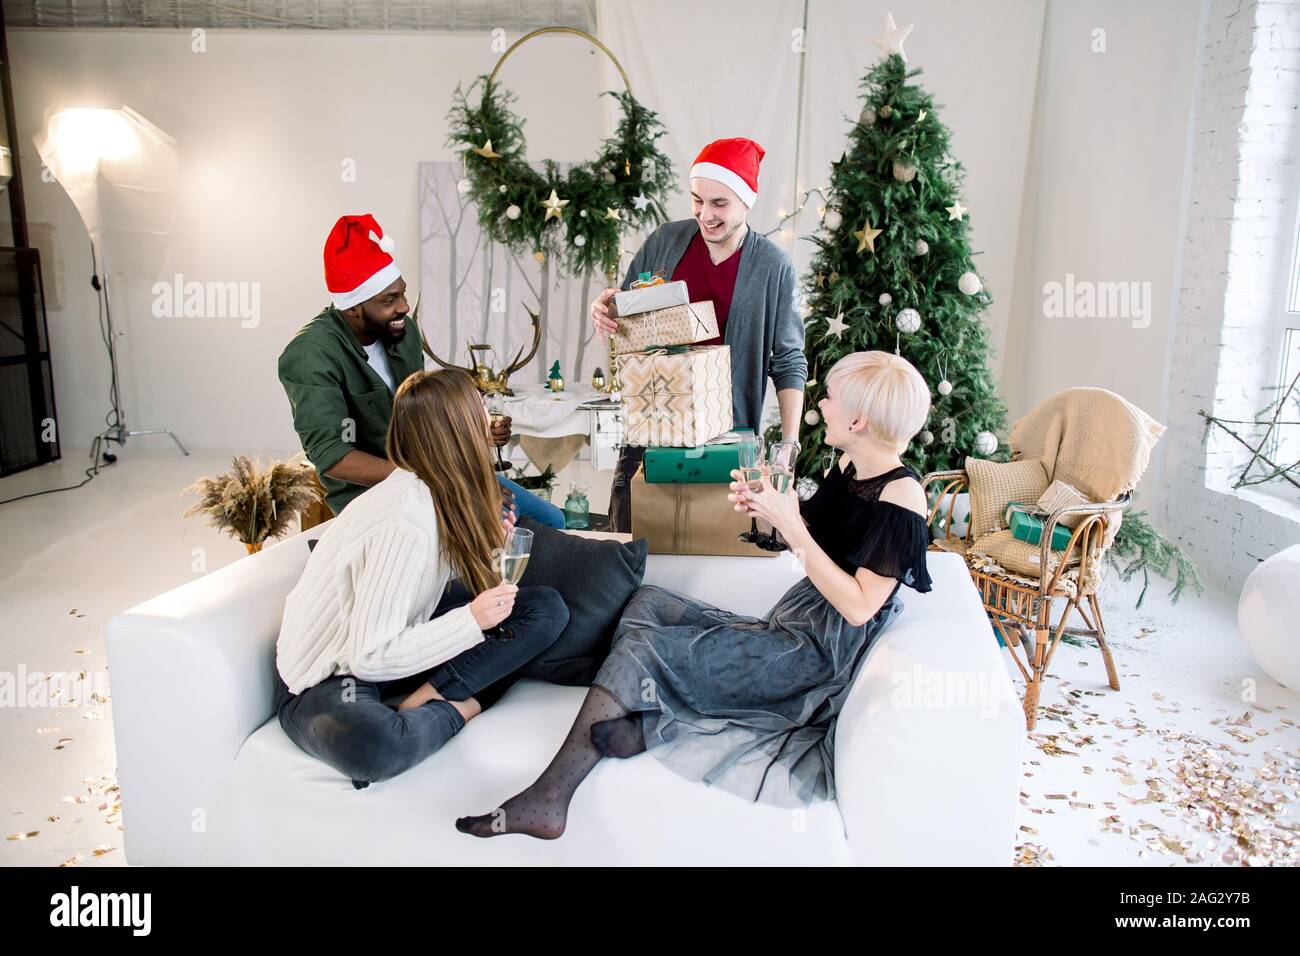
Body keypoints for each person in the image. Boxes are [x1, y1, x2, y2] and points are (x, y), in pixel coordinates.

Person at [456, 351, 933, 838]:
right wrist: (767, 511)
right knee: (648, 601)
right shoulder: (850, 464)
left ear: (858, 420)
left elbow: (858, 606)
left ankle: (549, 799)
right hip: (793, 622)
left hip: (815, 655)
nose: (821, 406)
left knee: (646, 646)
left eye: (829, 399)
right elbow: (814, 537)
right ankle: (635, 712)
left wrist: (792, 526)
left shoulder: (903, 496)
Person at [273, 369, 569, 790]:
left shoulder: (439, 490)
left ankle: (419, 702)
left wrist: (491, 550)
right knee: (377, 746)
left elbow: (424, 589)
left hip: (396, 643)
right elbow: (369, 657)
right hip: (327, 675)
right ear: (460, 430)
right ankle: (459, 707)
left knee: (543, 609)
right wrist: (471, 620)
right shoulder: (404, 522)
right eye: (480, 411)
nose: (488, 419)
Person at [278, 212, 564, 527]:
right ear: (353, 307)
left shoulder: (403, 332)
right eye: (390, 300)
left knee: (549, 520)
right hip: (374, 495)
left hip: (436, 475)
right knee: (492, 527)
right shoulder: (310, 355)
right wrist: (434, 480)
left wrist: (475, 430)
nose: (403, 306)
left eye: (402, 293)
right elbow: (331, 455)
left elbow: (424, 413)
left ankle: (517, 572)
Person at [589, 138, 808, 532]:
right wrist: (605, 309)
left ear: (746, 201)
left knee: (714, 552)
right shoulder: (665, 242)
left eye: (719, 203)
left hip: (727, 439)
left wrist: (789, 444)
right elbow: (629, 315)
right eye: (697, 200)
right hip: (651, 429)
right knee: (631, 542)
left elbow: (789, 360)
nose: (705, 214)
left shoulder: (773, 267)